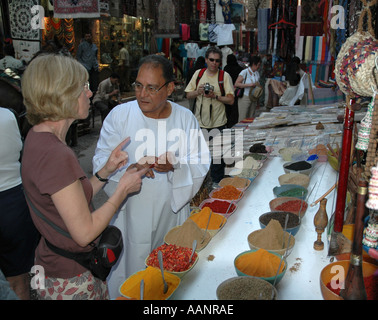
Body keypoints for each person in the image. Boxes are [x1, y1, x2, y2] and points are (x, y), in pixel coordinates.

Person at [20, 53, 148, 300]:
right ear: (62, 95)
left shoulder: (37, 137)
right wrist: (122, 189)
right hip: (72, 278)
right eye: (83, 87)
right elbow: (84, 232)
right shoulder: (56, 154)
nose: (89, 94)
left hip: (51, 265)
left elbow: (69, 202)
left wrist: (105, 172)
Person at [93, 54, 210, 299]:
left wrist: (176, 166)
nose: (142, 94)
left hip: (171, 212)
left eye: (151, 87)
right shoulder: (120, 116)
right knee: (133, 276)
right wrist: (128, 169)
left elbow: (199, 161)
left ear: (169, 88)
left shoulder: (184, 118)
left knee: (169, 273)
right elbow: (101, 162)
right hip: (130, 214)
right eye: (138, 85)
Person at [0, 107, 40, 300]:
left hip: (12, 203)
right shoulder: (7, 116)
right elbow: (19, 150)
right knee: (18, 279)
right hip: (13, 204)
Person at [185, 46, 234, 183]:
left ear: (220, 62)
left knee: (217, 160)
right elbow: (188, 94)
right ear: (206, 60)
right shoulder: (198, 74)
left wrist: (215, 96)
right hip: (200, 123)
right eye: (211, 60)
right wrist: (198, 92)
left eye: (217, 61)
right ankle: (202, 185)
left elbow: (230, 100)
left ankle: (217, 186)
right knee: (200, 158)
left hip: (218, 124)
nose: (214, 63)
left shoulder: (224, 76)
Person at [234, 55, 262, 121]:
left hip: (254, 98)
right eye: (258, 65)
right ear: (254, 64)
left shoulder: (257, 73)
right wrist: (249, 85)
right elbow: (236, 84)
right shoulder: (244, 72)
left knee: (251, 117)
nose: (259, 67)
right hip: (245, 97)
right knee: (242, 117)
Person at [224, 54, 244, 127]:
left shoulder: (226, 68)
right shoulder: (239, 68)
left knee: (228, 108)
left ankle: (228, 123)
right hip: (236, 91)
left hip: (227, 90)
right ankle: (234, 123)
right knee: (235, 108)